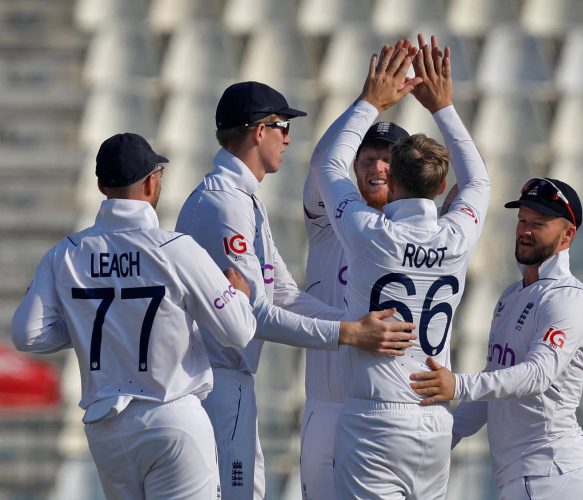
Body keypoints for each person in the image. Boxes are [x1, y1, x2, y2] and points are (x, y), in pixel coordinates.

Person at [175, 81, 416, 500]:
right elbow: (256, 315)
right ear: (258, 131)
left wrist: (353, 325)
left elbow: (281, 292)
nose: (288, 137)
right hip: (212, 382)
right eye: (282, 126)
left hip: (229, 383)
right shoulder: (224, 204)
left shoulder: (243, 197)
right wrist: (349, 333)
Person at [12, 133, 257, 500]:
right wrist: (239, 295)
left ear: (100, 185)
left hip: (106, 429)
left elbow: (26, 334)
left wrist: (87, 322)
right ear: (151, 182)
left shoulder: (66, 254)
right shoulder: (176, 249)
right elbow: (239, 331)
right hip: (173, 419)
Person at [311, 35, 491, 499]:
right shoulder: (458, 234)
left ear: (391, 185)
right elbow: (480, 180)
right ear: (441, 185)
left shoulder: (371, 233)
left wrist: (370, 101)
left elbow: (327, 162)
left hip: (374, 420)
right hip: (433, 421)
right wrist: (444, 107)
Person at [410, 177, 583, 500]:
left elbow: (537, 375)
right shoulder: (511, 295)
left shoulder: (569, 298)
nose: (525, 230)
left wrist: (458, 385)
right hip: (523, 474)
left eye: (538, 223)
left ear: (568, 235)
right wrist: (444, 435)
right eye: (522, 219)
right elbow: (493, 384)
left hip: (551, 470)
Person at [302, 113, 409, 497]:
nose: (378, 167)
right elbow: (320, 163)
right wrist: (368, 102)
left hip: (386, 411)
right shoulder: (329, 222)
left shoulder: (415, 235)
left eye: (389, 159)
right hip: (327, 408)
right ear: (353, 166)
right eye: (368, 158)